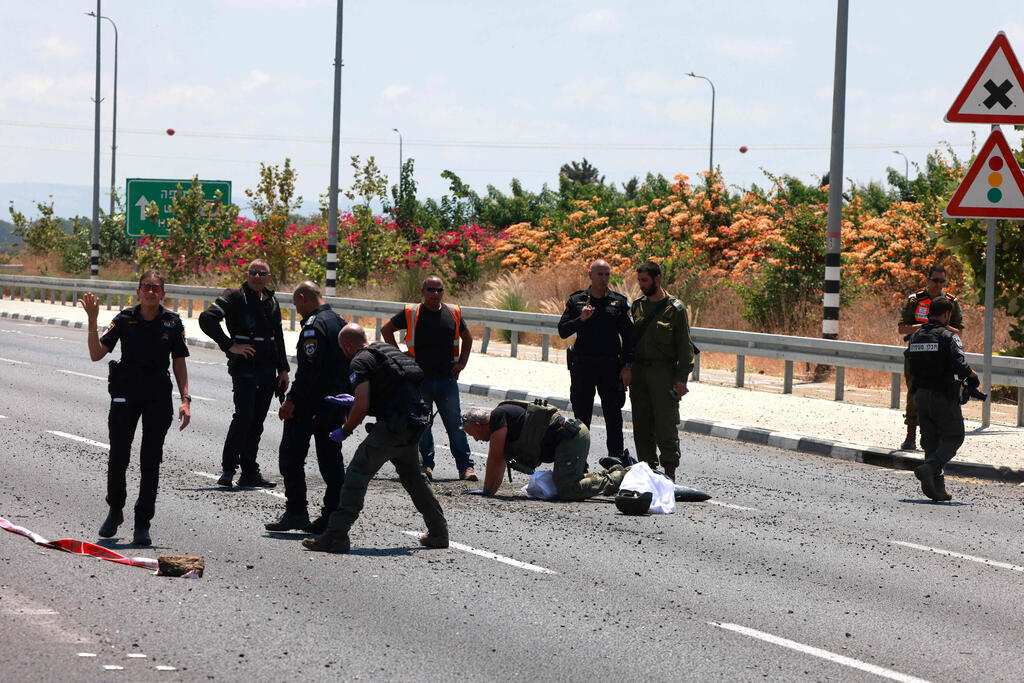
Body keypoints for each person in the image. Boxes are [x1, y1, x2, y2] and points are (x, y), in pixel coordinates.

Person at [302, 324, 448, 554]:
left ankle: (336, 535)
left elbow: (362, 404)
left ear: (348, 345)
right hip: (413, 425)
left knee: (356, 475)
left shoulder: (359, 361)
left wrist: (346, 429)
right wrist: (355, 401)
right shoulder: (386, 350)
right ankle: (439, 533)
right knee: (415, 480)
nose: (344, 353)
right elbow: (390, 389)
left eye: (343, 349)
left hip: (391, 427)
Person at [79, 270, 191, 546]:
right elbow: (96, 354)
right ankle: (115, 511)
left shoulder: (172, 322)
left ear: (163, 293)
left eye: (156, 288)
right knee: (118, 456)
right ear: (138, 291)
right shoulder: (124, 319)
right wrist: (93, 320)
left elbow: (179, 361)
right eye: (146, 287)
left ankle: (143, 522)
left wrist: (186, 399)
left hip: (157, 396)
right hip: (125, 394)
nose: (151, 291)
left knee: (150, 461)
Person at [265, 282, 349, 534]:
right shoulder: (340, 321)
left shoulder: (314, 326)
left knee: (290, 458)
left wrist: (292, 400)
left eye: (296, 305)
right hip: (335, 404)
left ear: (303, 298)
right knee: (331, 461)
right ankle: (332, 515)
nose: (298, 311)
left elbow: (310, 369)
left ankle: (296, 513)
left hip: (310, 404)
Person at [198, 259, 289, 488]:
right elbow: (207, 319)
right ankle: (229, 469)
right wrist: (230, 345)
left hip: (268, 370)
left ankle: (249, 472)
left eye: (261, 273)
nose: (257, 277)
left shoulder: (271, 300)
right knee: (243, 417)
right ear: (247, 274)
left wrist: (284, 368)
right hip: (245, 368)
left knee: (257, 421)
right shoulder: (235, 295)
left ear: (268, 277)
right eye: (253, 273)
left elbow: (277, 336)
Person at [381, 275, 477, 481]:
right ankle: (427, 466)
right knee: (422, 425)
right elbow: (386, 330)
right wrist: (398, 357)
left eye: (439, 290)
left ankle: (466, 468)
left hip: (446, 380)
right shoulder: (411, 312)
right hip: (419, 380)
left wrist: (462, 364)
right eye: (431, 290)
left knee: (455, 424)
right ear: (422, 291)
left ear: (443, 292)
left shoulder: (453, 312)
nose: (435, 294)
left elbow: (468, 338)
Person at [459, 401, 628, 500]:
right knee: (565, 481)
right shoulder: (501, 419)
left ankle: (621, 476)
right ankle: (613, 471)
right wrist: (490, 491)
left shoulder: (497, 417)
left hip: (571, 438)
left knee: (567, 488)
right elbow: (501, 459)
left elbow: (495, 458)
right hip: (568, 439)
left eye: (473, 433)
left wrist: (487, 491)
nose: (476, 439)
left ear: (478, 425)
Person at [558, 259, 635, 468]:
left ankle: (616, 465)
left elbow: (629, 337)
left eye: (607, 274)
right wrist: (580, 319)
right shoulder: (577, 301)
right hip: (583, 367)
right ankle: (578, 464)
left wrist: (628, 366)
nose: (604, 279)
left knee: (613, 417)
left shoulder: (618, 302)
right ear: (590, 275)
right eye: (600, 274)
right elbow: (563, 330)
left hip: (611, 368)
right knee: (581, 418)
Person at [904, 297, 976, 501]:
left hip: (919, 394)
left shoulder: (916, 336)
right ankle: (930, 468)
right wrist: (973, 377)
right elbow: (960, 365)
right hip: (942, 394)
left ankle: (937, 488)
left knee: (930, 441)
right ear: (946, 315)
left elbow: (909, 361)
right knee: (954, 436)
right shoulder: (948, 336)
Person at [629, 260, 694, 482]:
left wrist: (681, 380)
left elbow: (685, 349)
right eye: (639, 280)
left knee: (665, 424)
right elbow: (628, 343)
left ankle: (669, 473)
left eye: (645, 280)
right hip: (639, 374)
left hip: (663, 374)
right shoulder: (637, 306)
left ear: (657, 279)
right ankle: (648, 471)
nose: (641, 285)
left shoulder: (675, 309)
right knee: (641, 424)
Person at [897, 263, 964, 451]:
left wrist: (937, 326)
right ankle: (910, 436)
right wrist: (925, 325)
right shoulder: (915, 300)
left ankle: (934, 438)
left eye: (942, 281)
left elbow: (959, 332)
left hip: (941, 356)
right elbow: (902, 328)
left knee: (941, 394)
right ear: (928, 279)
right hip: (917, 355)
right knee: (914, 393)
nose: (939, 285)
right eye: (935, 280)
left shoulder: (951, 302)